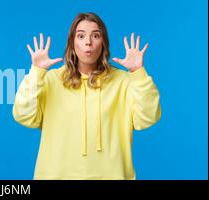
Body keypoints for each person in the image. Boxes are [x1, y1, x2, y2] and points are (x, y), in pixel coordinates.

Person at [12, 12, 161, 180]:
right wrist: (36, 73)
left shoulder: (124, 81)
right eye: (81, 36)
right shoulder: (50, 80)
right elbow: (23, 115)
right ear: (72, 43)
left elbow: (148, 117)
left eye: (95, 35)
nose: (88, 42)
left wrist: (137, 73)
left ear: (103, 42)